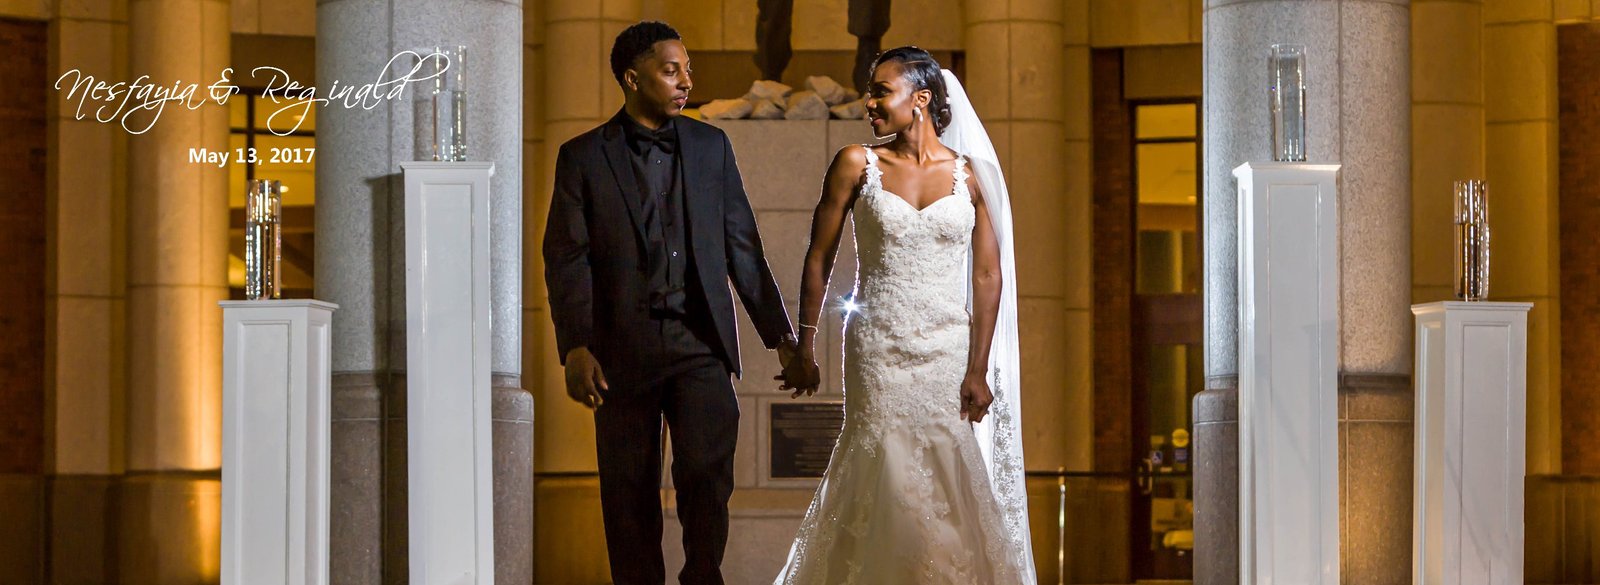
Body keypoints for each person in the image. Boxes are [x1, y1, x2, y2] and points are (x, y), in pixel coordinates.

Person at [542, 21, 806, 585]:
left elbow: (742, 245)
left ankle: (702, 577)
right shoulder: (582, 157)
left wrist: (781, 338)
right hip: (621, 349)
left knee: (707, 476)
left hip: (700, 342)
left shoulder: (713, 147)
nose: (686, 82)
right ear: (632, 78)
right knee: (628, 491)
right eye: (671, 71)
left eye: (687, 70)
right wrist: (576, 346)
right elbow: (567, 259)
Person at [772, 46, 1037, 584]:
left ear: (920, 98)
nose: (868, 103)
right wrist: (805, 343)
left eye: (880, 91)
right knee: (881, 464)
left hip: (947, 349)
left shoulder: (972, 177)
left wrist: (978, 368)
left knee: (945, 470)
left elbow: (988, 276)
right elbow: (818, 256)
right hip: (878, 346)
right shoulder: (856, 163)